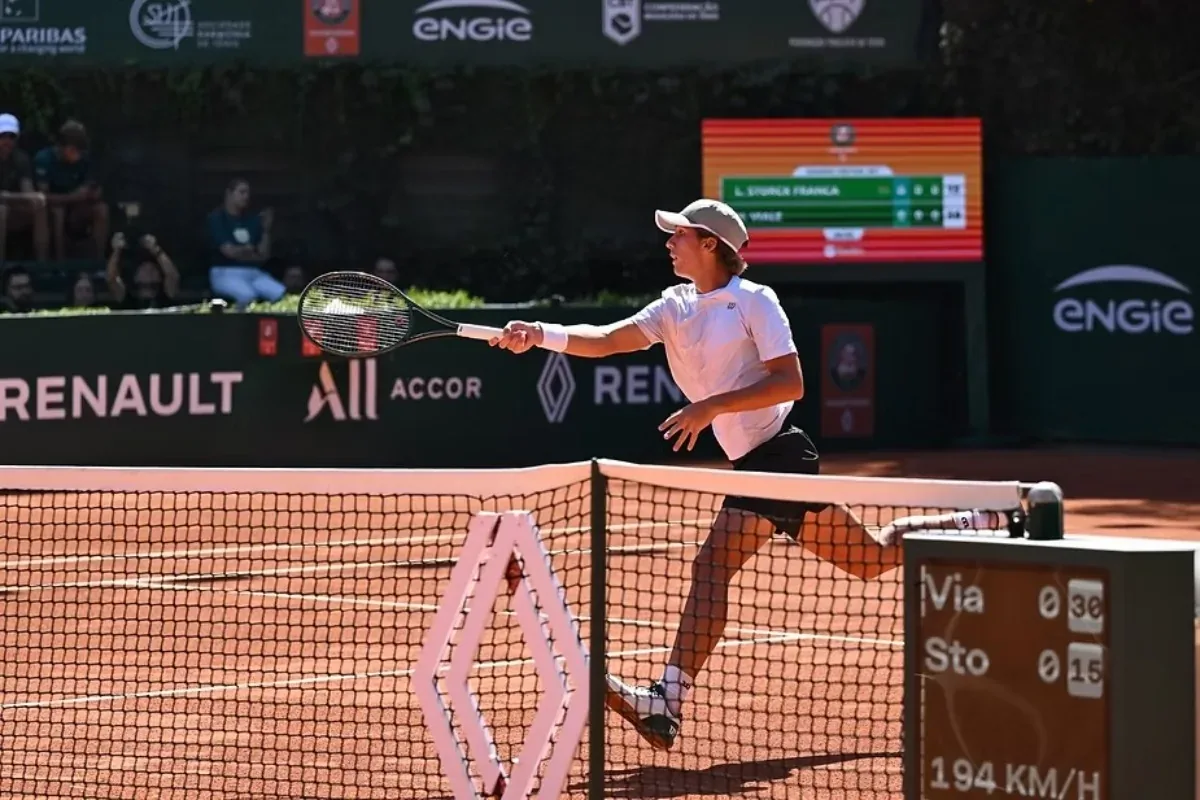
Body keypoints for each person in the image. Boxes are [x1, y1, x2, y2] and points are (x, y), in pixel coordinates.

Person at [489, 198, 1008, 752]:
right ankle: (978, 521)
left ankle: (666, 700)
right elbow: (608, 339)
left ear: (711, 245)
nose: (668, 243)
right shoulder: (673, 307)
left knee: (713, 564)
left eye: (680, 235)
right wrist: (540, 333)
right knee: (872, 559)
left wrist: (710, 407)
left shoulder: (754, 301)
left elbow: (791, 383)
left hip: (779, 456)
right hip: (757, 462)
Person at [205, 178, 285, 307]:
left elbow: (263, 255)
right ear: (229, 194)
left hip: (253, 272)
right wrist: (249, 250)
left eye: (248, 193)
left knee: (280, 293)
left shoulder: (252, 220)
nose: (246, 197)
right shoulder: (217, 218)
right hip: (225, 272)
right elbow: (229, 252)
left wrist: (265, 230)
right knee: (247, 296)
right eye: (242, 192)